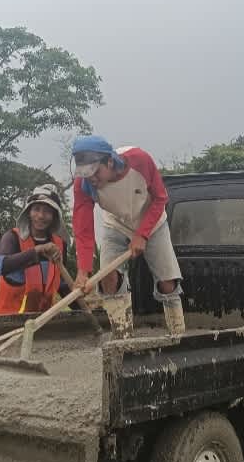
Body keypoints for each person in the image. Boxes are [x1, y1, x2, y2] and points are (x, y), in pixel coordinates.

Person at [70, 135, 185, 338]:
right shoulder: (83, 185)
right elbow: (83, 229)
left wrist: (142, 235)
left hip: (153, 222)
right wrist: (83, 271)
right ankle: (122, 338)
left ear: (110, 161)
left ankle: (177, 335)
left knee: (168, 282)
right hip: (116, 223)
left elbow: (160, 199)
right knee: (108, 277)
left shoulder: (140, 160)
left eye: (95, 172)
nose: (91, 179)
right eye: (85, 174)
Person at [0, 184, 71, 315]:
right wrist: (37, 250)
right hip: (8, 323)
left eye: (47, 211)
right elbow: (1, 266)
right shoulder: (12, 237)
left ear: (54, 216)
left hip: (42, 322)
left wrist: (84, 307)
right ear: (29, 212)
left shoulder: (59, 244)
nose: (41, 216)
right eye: (36, 209)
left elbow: (62, 285)